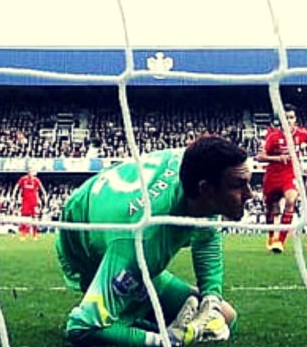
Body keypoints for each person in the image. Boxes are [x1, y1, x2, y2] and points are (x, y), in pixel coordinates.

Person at [55, 135, 251, 346]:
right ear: (206, 190)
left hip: (115, 216)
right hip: (85, 245)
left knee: (225, 317)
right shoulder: (144, 241)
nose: (249, 194)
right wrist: (165, 342)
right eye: (238, 185)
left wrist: (211, 301)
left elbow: (207, 237)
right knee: (99, 325)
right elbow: (80, 328)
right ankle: (135, 320)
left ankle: (140, 318)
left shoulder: (196, 170)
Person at [256, 104, 307, 254]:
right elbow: (260, 157)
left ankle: (280, 241)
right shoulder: (272, 136)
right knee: (272, 209)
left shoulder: (302, 134)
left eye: (291, 117)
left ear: (295, 119)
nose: (289, 120)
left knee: (291, 200)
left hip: (291, 174)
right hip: (273, 175)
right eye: (285, 118)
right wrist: (278, 158)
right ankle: (271, 235)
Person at [12, 170, 48, 241]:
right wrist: (13, 194)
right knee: (24, 218)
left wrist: (45, 195)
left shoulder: (36, 180)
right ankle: (23, 234)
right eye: (31, 172)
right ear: (28, 172)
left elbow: (41, 188)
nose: (33, 173)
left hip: (34, 202)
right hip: (25, 202)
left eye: (33, 172)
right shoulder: (23, 179)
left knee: (35, 218)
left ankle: (35, 235)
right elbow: (17, 186)